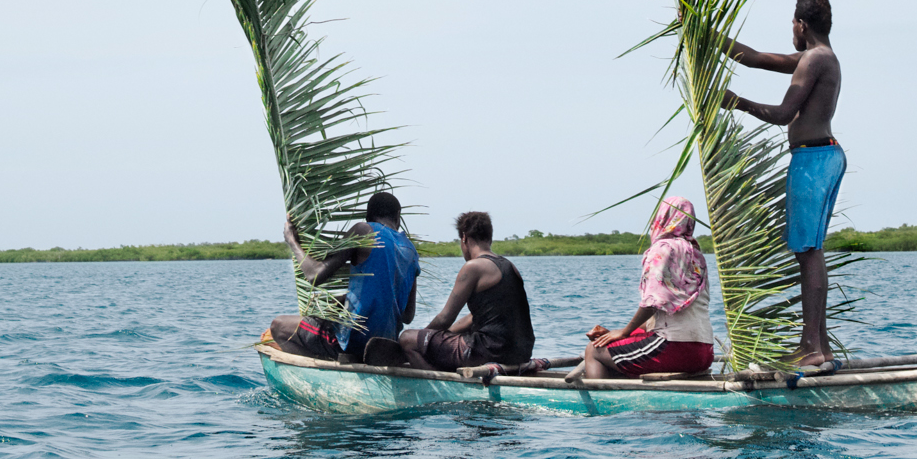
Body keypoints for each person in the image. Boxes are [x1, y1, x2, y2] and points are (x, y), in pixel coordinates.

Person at [720, 0, 842, 368]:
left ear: (801, 25)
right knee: (810, 250)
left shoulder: (815, 60)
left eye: (792, 23)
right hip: (821, 157)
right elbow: (756, 58)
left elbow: (783, 113)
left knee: (808, 252)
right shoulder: (818, 57)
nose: (791, 29)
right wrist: (705, 35)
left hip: (813, 161)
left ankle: (810, 347)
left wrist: (735, 101)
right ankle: (820, 347)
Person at [557, 195, 715, 380]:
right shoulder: (695, 253)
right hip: (704, 351)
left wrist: (624, 332)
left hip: (674, 347)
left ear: (662, 217)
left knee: (594, 350)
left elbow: (653, 302)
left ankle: (602, 404)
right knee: (620, 345)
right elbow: (668, 310)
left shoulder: (662, 249)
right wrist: (620, 334)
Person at [267, 191, 419, 361]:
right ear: (398, 216)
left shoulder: (364, 231)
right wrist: (344, 298)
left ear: (368, 216)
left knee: (279, 326)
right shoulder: (411, 251)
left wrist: (292, 241)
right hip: (386, 344)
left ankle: (324, 369)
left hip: (355, 342)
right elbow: (407, 315)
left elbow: (315, 275)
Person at [400, 211, 536, 371]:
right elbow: (475, 317)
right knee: (449, 336)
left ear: (464, 237)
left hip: (492, 350)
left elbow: (444, 318)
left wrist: (422, 339)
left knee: (407, 339)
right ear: (489, 237)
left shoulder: (474, 267)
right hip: (521, 352)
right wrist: (441, 337)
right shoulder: (510, 266)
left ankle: (437, 385)